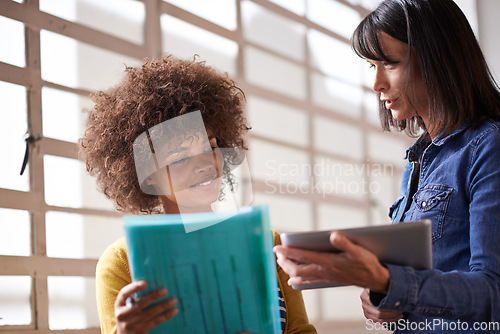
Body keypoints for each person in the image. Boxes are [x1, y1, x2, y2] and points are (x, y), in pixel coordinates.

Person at [273, 0, 500, 333]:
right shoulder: (417, 162)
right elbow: (419, 286)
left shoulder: (488, 146)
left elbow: (492, 295)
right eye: (371, 66)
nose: (376, 83)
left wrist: (389, 281)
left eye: (389, 63)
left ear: (439, 59)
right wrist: (381, 295)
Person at [79, 55, 316, 334]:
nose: (205, 165)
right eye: (180, 159)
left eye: (211, 148)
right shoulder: (121, 262)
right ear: (149, 177)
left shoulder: (266, 242)